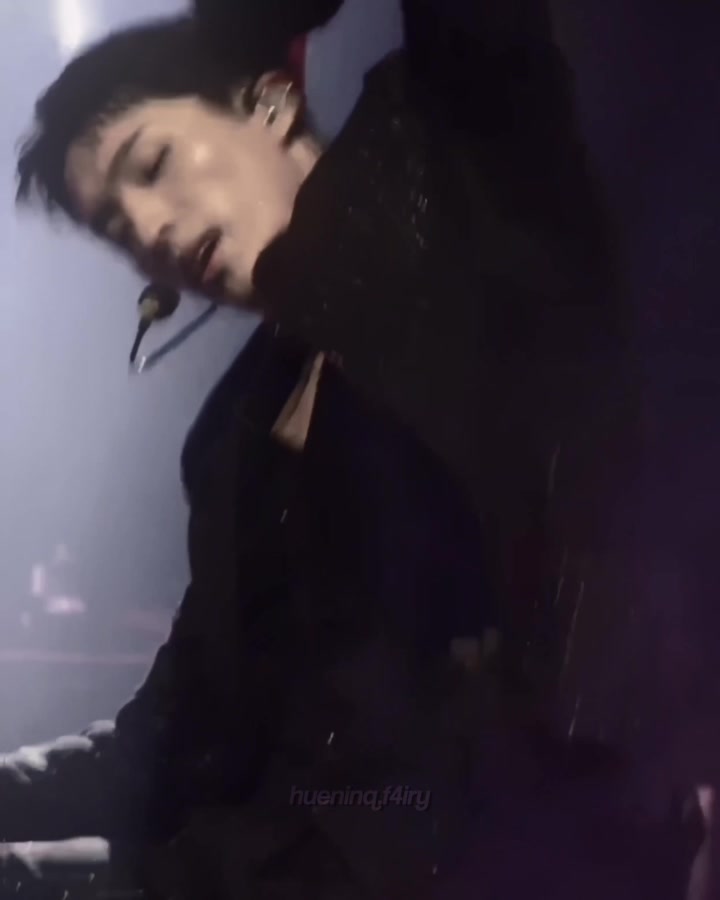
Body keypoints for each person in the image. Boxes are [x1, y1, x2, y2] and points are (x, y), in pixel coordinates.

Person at [1, 2, 706, 898]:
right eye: (114, 227)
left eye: (153, 164)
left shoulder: (471, 176)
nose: (148, 231)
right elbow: (174, 736)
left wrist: (241, 25)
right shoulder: (233, 435)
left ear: (268, 101)